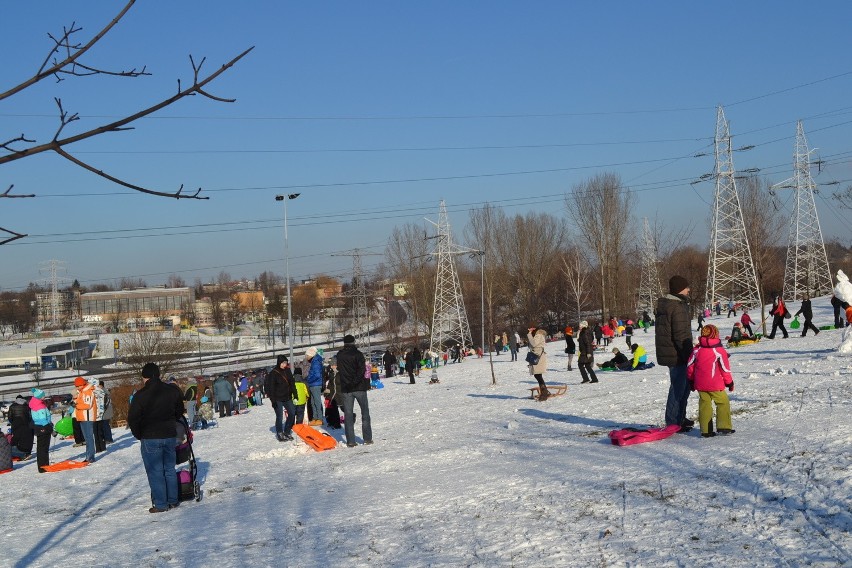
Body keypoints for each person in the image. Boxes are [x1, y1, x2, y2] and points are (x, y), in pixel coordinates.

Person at [127, 362, 185, 513]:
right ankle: (173, 500)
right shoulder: (172, 391)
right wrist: (172, 421)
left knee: (155, 471)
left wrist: (139, 434)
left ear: (144, 378)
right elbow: (179, 411)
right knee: (170, 469)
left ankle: (161, 504)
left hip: (150, 437)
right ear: (159, 375)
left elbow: (133, 419)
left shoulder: (139, 396)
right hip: (169, 434)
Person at [656, 275, 695, 432]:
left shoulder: (671, 305)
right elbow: (680, 335)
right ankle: (673, 422)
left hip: (675, 353)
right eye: (686, 287)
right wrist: (689, 355)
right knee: (678, 388)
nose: (688, 290)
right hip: (677, 354)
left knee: (684, 388)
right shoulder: (676, 307)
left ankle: (680, 418)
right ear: (680, 289)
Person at [686, 325, 735, 438]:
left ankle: (706, 431)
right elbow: (725, 369)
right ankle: (724, 427)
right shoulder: (719, 350)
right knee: (723, 402)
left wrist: (691, 381)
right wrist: (729, 383)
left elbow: (690, 367)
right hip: (715, 384)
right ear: (716, 335)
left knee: (705, 405)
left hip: (700, 384)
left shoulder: (696, 350)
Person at [337, 334, 373, 447]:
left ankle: (351, 441)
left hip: (346, 389)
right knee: (365, 413)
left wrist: (348, 382)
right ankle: (367, 438)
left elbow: (340, 370)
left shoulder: (340, 355)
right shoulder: (358, 354)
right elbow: (362, 370)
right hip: (359, 387)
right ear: (353, 342)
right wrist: (355, 382)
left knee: (348, 415)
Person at [265, 355, 298, 441]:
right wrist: (273, 401)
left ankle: (287, 431)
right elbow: (271, 388)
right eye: (283, 363)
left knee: (292, 413)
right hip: (277, 399)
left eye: (286, 363)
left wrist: (295, 394)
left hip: (287, 397)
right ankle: (280, 433)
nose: (284, 365)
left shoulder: (287, 371)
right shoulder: (273, 373)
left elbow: (292, 383)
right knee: (279, 416)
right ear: (279, 363)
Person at [73, 376, 99, 463]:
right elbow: (80, 402)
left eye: (77, 386)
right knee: (87, 438)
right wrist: (75, 400)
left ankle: (90, 456)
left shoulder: (87, 391)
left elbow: (87, 405)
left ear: (82, 384)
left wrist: (76, 405)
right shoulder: (81, 391)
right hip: (82, 417)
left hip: (87, 417)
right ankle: (88, 456)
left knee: (89, 438)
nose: (76, 387)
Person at [28, 388, 53, 473]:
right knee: (43, 447)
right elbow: (43, 419)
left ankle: (44, 465)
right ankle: (43, 466)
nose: (44, 397)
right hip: (43, 427)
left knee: (42, 447)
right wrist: (49, 428)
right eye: (43, 396)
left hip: (40, 427)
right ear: (39, 397)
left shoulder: (38, 403)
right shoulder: (39, 406)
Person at [8, 395, 33, 461]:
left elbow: (10, 418)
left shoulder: (12, 406)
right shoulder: (26, 405)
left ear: (16, 399)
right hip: (25, 425)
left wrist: (13, 422)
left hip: (16, 425)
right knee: (25, 439)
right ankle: (25, 452)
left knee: (16, 439)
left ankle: (21, 453)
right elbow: (30, 416)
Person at [526, 327, 549, 399]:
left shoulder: (538, 335)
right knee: (538, 375)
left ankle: (544, 393)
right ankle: (545, 391)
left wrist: (529, 334)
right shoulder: (538, 336)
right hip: (537, 356)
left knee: (538, 375)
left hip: (538, 358)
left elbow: (533, 344)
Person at [305, 346, 325, 426]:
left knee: (317, 402)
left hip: (316, 384)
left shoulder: (316, 361)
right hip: (313, 384)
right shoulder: (314, 361)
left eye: (307, 355)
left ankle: (319, 418)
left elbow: (316, 374)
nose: (306, 357)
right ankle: (315, 418)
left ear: (311, 354)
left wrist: (308, 379)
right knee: (313, 402)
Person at [577, 320, 599, 384]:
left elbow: (587, 343)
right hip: (587, 351)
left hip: (585, 352)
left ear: (584, 326)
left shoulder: (584, 333)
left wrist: (588, 353)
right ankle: (594, 379)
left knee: (580, 364)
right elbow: (590, 340)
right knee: (587, 366)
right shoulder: (588, 331)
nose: (579, 326)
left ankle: (586, 378)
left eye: (580, 325)